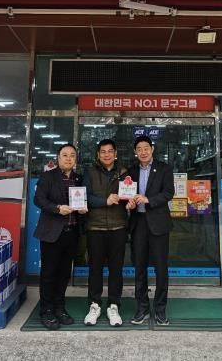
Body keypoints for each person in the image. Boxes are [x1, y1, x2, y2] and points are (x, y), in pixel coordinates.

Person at [33, 143, 87, 330]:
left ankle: (59, 307)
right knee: (49, 273)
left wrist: (84, 208)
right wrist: (57, 208)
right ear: (58, 158)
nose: (69, 158)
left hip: (71, 232)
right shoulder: (48, 176)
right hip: (51, 233)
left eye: (72, 155)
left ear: (76, 159)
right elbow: (39, 199)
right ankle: (46, 310)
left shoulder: (79, 178)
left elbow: (82, 200)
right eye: (65, 155)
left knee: (64, 274)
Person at [125, 135, 174, 326]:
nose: (143, 152)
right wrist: (129, 203)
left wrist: (149, 200)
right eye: (139, 149)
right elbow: (127, 194)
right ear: (135, 152)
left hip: (158, 224)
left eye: (146, 148)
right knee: (139, 268)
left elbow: (168, 193)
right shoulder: (131, 171)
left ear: (152, 149)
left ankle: (160, 309)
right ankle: (142, 308)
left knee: (161, 269)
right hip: (138, 223)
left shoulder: (164, 169)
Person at [82, 139, 129, 327]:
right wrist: (105, 201)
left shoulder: (124, 172)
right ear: (98, 154)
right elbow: (85, 197)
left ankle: (113, 305)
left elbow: (128, 196)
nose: (107, 154)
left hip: (118, 227)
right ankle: (94, 305)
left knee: (116, 269)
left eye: (110, 151)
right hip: (95, 227)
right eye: (103, 151)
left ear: (115, 154)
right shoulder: (89, 171)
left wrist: (131, 201)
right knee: (95, 269)